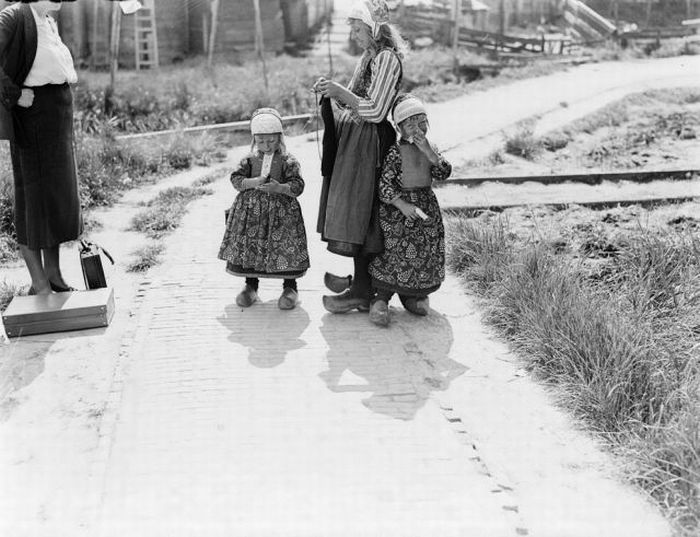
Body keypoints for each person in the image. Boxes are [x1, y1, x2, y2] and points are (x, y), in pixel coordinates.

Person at [314, 0, 406, 314]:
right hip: (357, 142)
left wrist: (341, 92)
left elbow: (376, 111)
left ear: (373, 27)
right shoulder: (368, 57)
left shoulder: (387, 59)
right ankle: (362, 282)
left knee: (367, 215)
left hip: (372, 144)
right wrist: (331, 93)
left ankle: (363, 291)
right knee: (356, 213)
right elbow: (354, 102)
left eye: (357, 28)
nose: (353, 34)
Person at [0, 0, 82, 295]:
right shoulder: (13, 16)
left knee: (56, 199)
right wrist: (12, 94)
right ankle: (39, 283)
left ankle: (54, 276)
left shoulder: (45, 18)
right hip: (32, 118)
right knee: (34, 201)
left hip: (55, 120)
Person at [367, 94, 452, 327]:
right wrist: (402, 205)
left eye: (421, 121)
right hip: (399, 213)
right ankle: (381, 299)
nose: (418, 128)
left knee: (425, 250)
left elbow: (443, 173)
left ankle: (415, 296)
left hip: (426, 209)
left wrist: (430, 153)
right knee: (396, 252)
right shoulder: (395, 152)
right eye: (411, 124)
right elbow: (384, 185)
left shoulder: (430, 148)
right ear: (400, 128)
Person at [218, 107, 310, 310]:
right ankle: (250, 286)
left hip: (282, 216)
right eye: (261, 141)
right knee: (251, 246)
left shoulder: (288, 161)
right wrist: (253, 182)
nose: (266, 145)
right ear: (254, 139)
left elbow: (298, 185)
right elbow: (235, 179)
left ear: (280, 138)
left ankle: (290, 287)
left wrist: (280, 188)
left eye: (271, 140)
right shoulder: (249, 160)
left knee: (284, 248)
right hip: (251, 215)